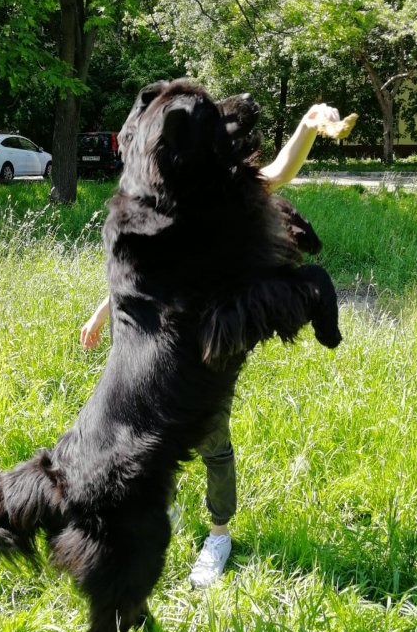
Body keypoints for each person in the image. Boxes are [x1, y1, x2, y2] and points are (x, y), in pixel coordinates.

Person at [80, 103, 344, 588]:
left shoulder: (228, 191)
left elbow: (279, 172)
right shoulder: (173, 198)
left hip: (210, 350)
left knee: (212, 441)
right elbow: (150, 271)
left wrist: (308, 125)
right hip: (167, 339)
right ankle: (168, 505)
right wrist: (103, 311)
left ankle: (219, 533)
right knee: (154, 434)